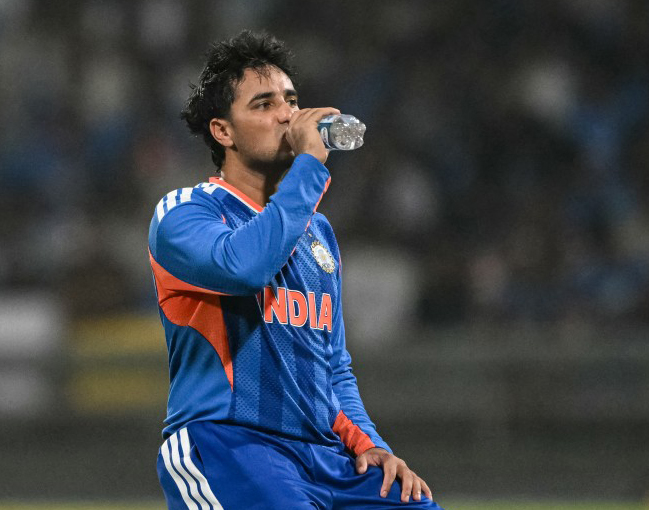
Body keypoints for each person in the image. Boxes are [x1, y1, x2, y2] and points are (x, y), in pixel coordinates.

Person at [148, 30, 441, 509]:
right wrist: (309, 165)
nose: (287, 115)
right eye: (263, 104)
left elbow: (333, 365)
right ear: (223, 132)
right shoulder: (185, 213)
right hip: (229, 445)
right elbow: (245, 267)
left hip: (325, 456)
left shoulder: (317, 232)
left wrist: (371, 444)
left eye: (291, 100)